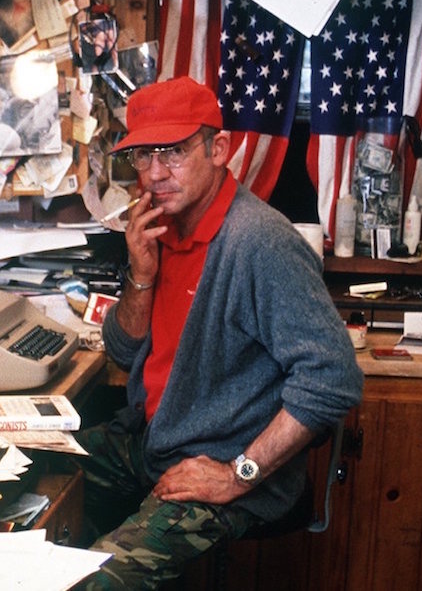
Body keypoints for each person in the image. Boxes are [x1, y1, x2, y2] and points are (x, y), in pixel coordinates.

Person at [70, 76, 363, 589]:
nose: (156, 173)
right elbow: (123, 349)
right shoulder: (161, 227)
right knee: (17, 466)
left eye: (174, 152)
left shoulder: (259, 242)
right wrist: (140, 274)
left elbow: (334, 378)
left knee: (92, 583)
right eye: (143, 155)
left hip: (228, 466)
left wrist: (238, 474)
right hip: (158, 443)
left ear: (219, 149)